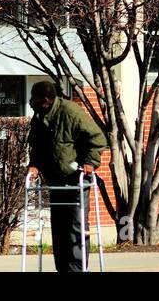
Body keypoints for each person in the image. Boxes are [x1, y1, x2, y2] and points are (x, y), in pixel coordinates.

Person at [26, 80, 108, 272]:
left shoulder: (70, 112)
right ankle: (63, 268)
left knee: (75, 227)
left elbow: (97, 138)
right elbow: (37, 146)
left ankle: (77, 269)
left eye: (33, 98)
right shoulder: (39, 117)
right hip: (56, 180)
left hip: (76, 179)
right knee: (60, 228)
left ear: (46, 100)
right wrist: (34, 165)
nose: (30, 102)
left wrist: (90, 162)